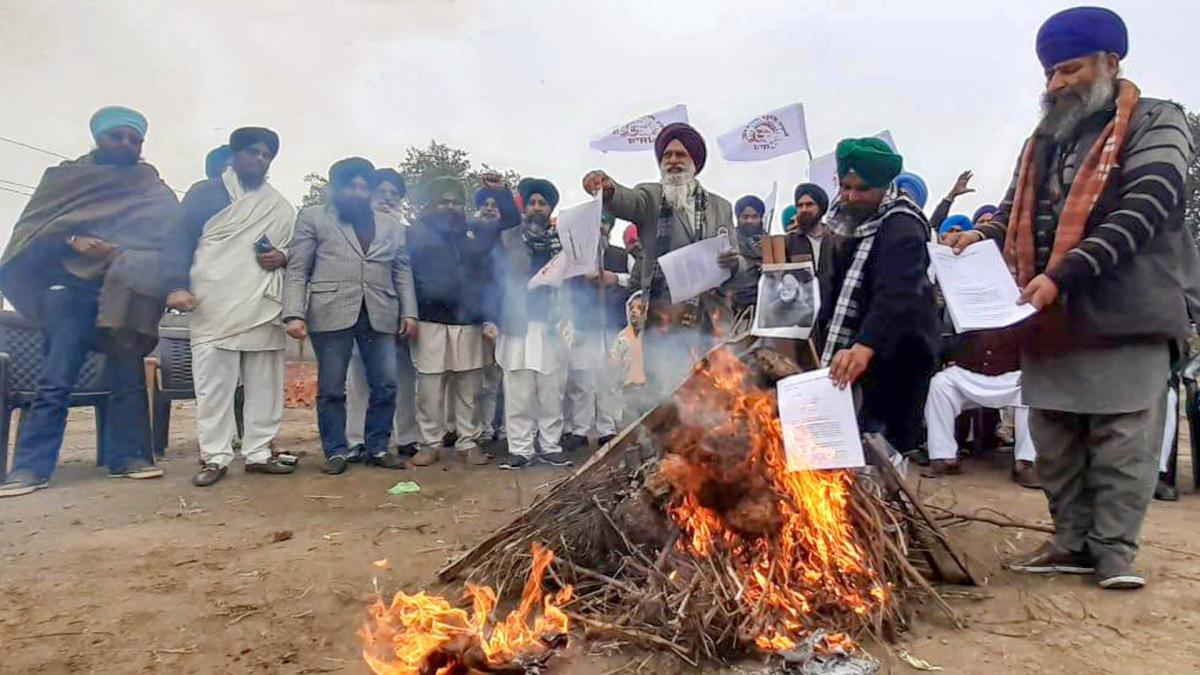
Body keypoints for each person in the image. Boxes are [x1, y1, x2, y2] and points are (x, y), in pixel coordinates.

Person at [944, 6, 1194, 589]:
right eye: (1050, 73)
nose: (1056, 84)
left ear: (1111, 62)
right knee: (1055, 442)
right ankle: (1071, 541)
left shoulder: (1159, 121)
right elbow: (1013, 211)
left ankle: (1113, 553)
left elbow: (1145, 207)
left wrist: (1064, 272)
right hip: (1050, 320)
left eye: (1070, 69)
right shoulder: (1043, 141)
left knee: (1121, 443)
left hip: (1127, 315)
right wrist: (978, 235)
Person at [0, 106, 176, 497]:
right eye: (118, 136)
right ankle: (30, 468)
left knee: (128, 375)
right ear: (99, 138)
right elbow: (32, 233)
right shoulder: (65, 179)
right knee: (55, 378)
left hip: (127, 288)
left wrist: (125, 254)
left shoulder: (149, 186)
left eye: (135, 139)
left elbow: (171, 240)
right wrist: (71, 240)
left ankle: (128, 458)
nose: (127, 144)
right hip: (69, 290)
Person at [164, 127, 297, 486]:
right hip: (214, 301)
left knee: (265, 384)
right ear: (234, 155)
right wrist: (176, 286)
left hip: (262, 304)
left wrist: (283, 256)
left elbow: (296, 249)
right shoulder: (204, 194)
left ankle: (258, 452)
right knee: (214, 386)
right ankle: (215, 456)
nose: (261, 160)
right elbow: (177, 240)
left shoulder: (279, 206)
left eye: (267, 155)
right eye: (254, 152)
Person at [582, 123, 740, 398]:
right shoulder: (651, 197)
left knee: (711, 399)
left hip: (708, 319)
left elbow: (738, 260)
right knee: (665, 399)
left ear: (695, 163)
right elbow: (628, 201)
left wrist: (734, 263)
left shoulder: (720, 207)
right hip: (663, 318)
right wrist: (609, 189)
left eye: (680, 155)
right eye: (667, 155)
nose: (673, 161)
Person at [282, 158, 417, 474]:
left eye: (363, 186)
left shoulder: (392, 226)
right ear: (334, 189)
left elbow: (401, 270)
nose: (357, 192)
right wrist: (293, 314)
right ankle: (336, 452)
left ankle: (378, 447)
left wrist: (409, 312)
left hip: (380, 311)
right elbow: (298, 268)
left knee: (386, 385)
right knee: (332, 388)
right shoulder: (313, 217)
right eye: (350, 186)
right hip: (330, 310)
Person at [823, 137, 938, 458]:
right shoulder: (846, 220)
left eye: (862, 189)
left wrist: (865, 344)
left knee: (881, 452)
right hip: (856, 350)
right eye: (845, 187)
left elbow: (898, 294)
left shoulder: (903, 225)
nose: (851, 196)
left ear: (884, 186)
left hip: (896, 356)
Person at [406, 174, 519, 467]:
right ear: (431, 204)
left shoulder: (474, 231)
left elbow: (509, 220)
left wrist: (501, 192)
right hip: (429, 320)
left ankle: (468, 442)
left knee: (469, 388)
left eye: (456, 202)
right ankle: (429, 443)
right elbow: (405, 277)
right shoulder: (416, 233)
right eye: (443, 201)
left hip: (468, 320)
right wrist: (409, 314)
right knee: (430, 388)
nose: (450, 207)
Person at [490, 178, 574, 469]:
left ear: (550, 208)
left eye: (543, 203)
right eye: (532, 203)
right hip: (518, 324)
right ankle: (521, 449)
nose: (537, 207)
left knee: (551, 391)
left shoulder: (563, 241)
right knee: (519, 392)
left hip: (552, 324)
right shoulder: (510, 236)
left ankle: (550, 446)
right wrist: (502, 192)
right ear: (524, 207)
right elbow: (494, 279)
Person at [346, 168, 420, 458]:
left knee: (403, 379)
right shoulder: (352, 229)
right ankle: (356, 440)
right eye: (382, 193)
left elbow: (408, 275)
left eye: (394, 194)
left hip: (399, 317)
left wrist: (410, 313)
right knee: (359, 379)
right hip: (360, 314)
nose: (388, 199)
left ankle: (406, 437)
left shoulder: (408, 233)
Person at [922, 325, 1039, 488]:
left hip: (1013, 376)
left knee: (1033, 388)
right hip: (968, 373)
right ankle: (943, 457)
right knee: (940, 384)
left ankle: (1025, 462)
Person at [564, 210, 632, 450]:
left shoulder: (622, 255)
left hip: (612, 327)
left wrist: (614, 278)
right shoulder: (575, 258)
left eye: (604, 223)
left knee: (609, 380)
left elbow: (635, 280)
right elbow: (565, 289)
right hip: (584, 327)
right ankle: (579, 430)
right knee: (581, 382)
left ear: (610, 228)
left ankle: (607, 429)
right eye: (595, 223)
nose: (600, 228)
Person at [611, 290, 650, 423]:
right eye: (631, 308)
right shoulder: (622, 337)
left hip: (648, 390)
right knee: (629, 425)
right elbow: (614, 364)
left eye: (639, 308)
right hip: (629, 390)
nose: (634, 311)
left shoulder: (651, 336)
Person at [725, 195, 766, 312]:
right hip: (735, 307)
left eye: (754, 217)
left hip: (764, 305)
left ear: (761, 218)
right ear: (737, 218)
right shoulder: (728, 243)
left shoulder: (770, 243)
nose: (750, 221)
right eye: (745, 217)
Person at [784, 183, 834, 279]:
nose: (804, 209)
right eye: (800, 205)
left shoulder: (836, 238)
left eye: (809, 204)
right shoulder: (789, 241)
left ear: (821, 207)